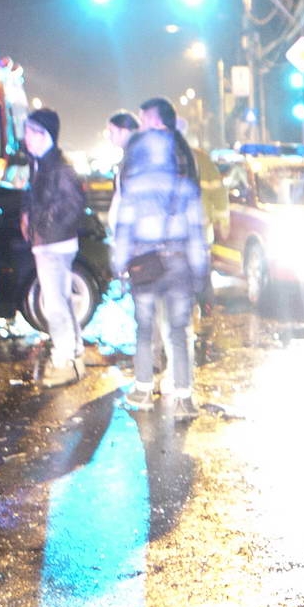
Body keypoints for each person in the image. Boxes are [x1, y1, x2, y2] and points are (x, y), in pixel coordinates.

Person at [110, 122, 208, 418]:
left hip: (145, 264)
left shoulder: (134, 187)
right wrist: (200, 274)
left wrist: (118, 267)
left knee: (144, 329)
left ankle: (142, 389)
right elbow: (197, 235)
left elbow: (123, 232)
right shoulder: (185, 186)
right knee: (179, 331)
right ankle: (184, 397)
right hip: (179, 264)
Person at [20, 108, 86, 387]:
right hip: (49, 243)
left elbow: (73, 206)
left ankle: (64, 359)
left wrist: (42, 227)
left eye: (31, 133)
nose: (26, 139)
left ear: (45, 135)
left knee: (55, 304)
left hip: (54, 245)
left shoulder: (58, 167)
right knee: (62, 300)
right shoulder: (40, 164)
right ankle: (75, 352)